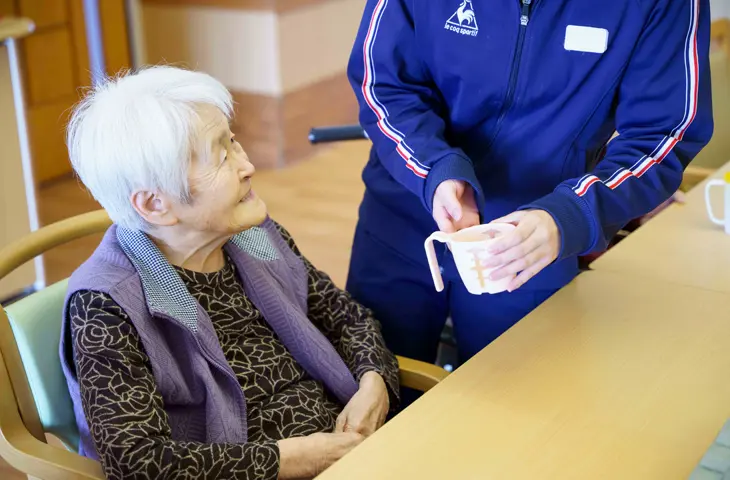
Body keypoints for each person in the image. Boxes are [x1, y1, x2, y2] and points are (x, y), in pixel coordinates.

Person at [59, 66, 400, 480]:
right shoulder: (106, 306)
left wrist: (372, 383)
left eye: (233, 141)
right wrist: (292, 460)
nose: (248, 166)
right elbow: (140, 463)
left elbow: (346, 317)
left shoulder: (253, 237)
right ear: (153, 205)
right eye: (222, 156)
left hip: (353, 453)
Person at [345, 0, 713, 369]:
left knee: (512, 411)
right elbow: (383, 81)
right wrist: (435, 169)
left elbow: (664, 133)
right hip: (404, 213)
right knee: (373, 388)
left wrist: (570, 216)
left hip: (534, 242)